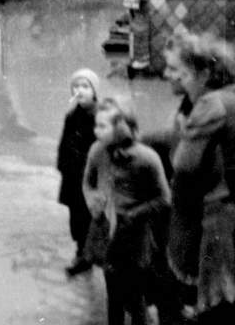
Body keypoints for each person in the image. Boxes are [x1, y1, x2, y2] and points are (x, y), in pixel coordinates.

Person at [159, 31, 235, 324]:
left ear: (203, 74)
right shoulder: (225, 97)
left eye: (175, 69)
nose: (166, 75)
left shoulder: (209, 105)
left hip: (213, 226)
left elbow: (183, 165)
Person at [83, 97, 171, 325]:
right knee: (112, 291)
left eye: (102, 126)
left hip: (135, 235)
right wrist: (92, 200)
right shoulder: (97, 151)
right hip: (107, 229)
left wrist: (135, 214)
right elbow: (87, 182)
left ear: (121, 128)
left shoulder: (146, 158)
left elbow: (164, 199)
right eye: (95, 125)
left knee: (134, 293)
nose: (96, 131)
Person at [57, 68, 100, 276]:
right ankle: (81, 251)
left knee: (90, 216)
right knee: (76, 216)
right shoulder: (72, 115)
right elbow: (64, 144)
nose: (79, 91)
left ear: (95, 91)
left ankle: (88, 255)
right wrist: (63, 167)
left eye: (85, 86)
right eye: (75, 86)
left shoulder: (100, 115)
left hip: (90, 176)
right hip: (73, 176)